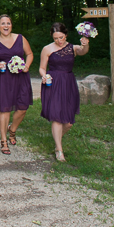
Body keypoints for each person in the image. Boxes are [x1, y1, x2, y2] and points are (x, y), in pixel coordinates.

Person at [38, 22, 89, 162]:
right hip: (53, 82)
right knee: (56, 116)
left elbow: (83, 51)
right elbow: (42, 67)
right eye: (55, 38)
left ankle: (56, 141)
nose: (59, 41)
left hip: (68, 83)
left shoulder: (72, 48)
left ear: (66, 35)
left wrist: (85, 44)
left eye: (61, 37)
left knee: (69, 122)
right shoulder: (47, 49)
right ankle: (59, 150)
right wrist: (44, 75)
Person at [0, 14, 34, 155]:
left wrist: (27, 65)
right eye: (3, 23)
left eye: (8, 23)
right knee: (4, 109)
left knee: (23, 108)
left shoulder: (20, 38)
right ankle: (4, 140)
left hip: (20, 78)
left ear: (11, 25)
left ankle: (12, 129)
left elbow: (29, 54)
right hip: (3, 79)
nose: (6, 26)